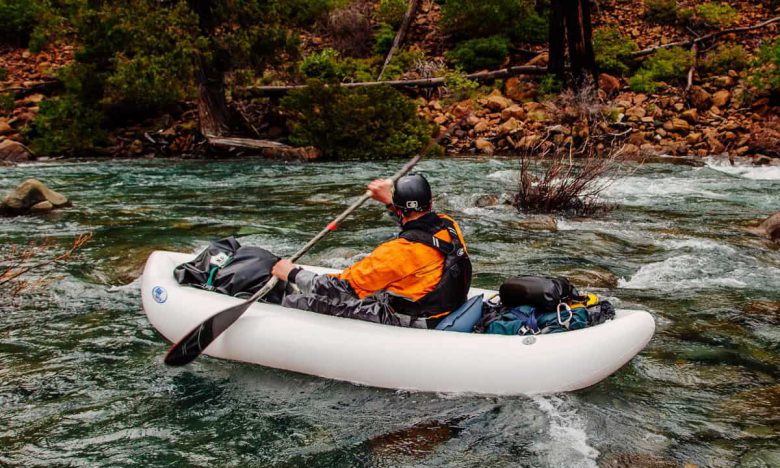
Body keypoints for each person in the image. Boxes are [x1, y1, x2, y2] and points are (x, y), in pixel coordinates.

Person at [271, 173, 472, 328]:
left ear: (400, 210)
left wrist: (292, 273)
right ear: (430, 202)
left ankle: (275, 304)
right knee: (370, 290)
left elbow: (339, 290)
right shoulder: (449, 225)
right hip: (443, 308)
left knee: (321, 302)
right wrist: (389, 202)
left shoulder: (397, 252)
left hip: (412, 319)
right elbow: (418, 226)